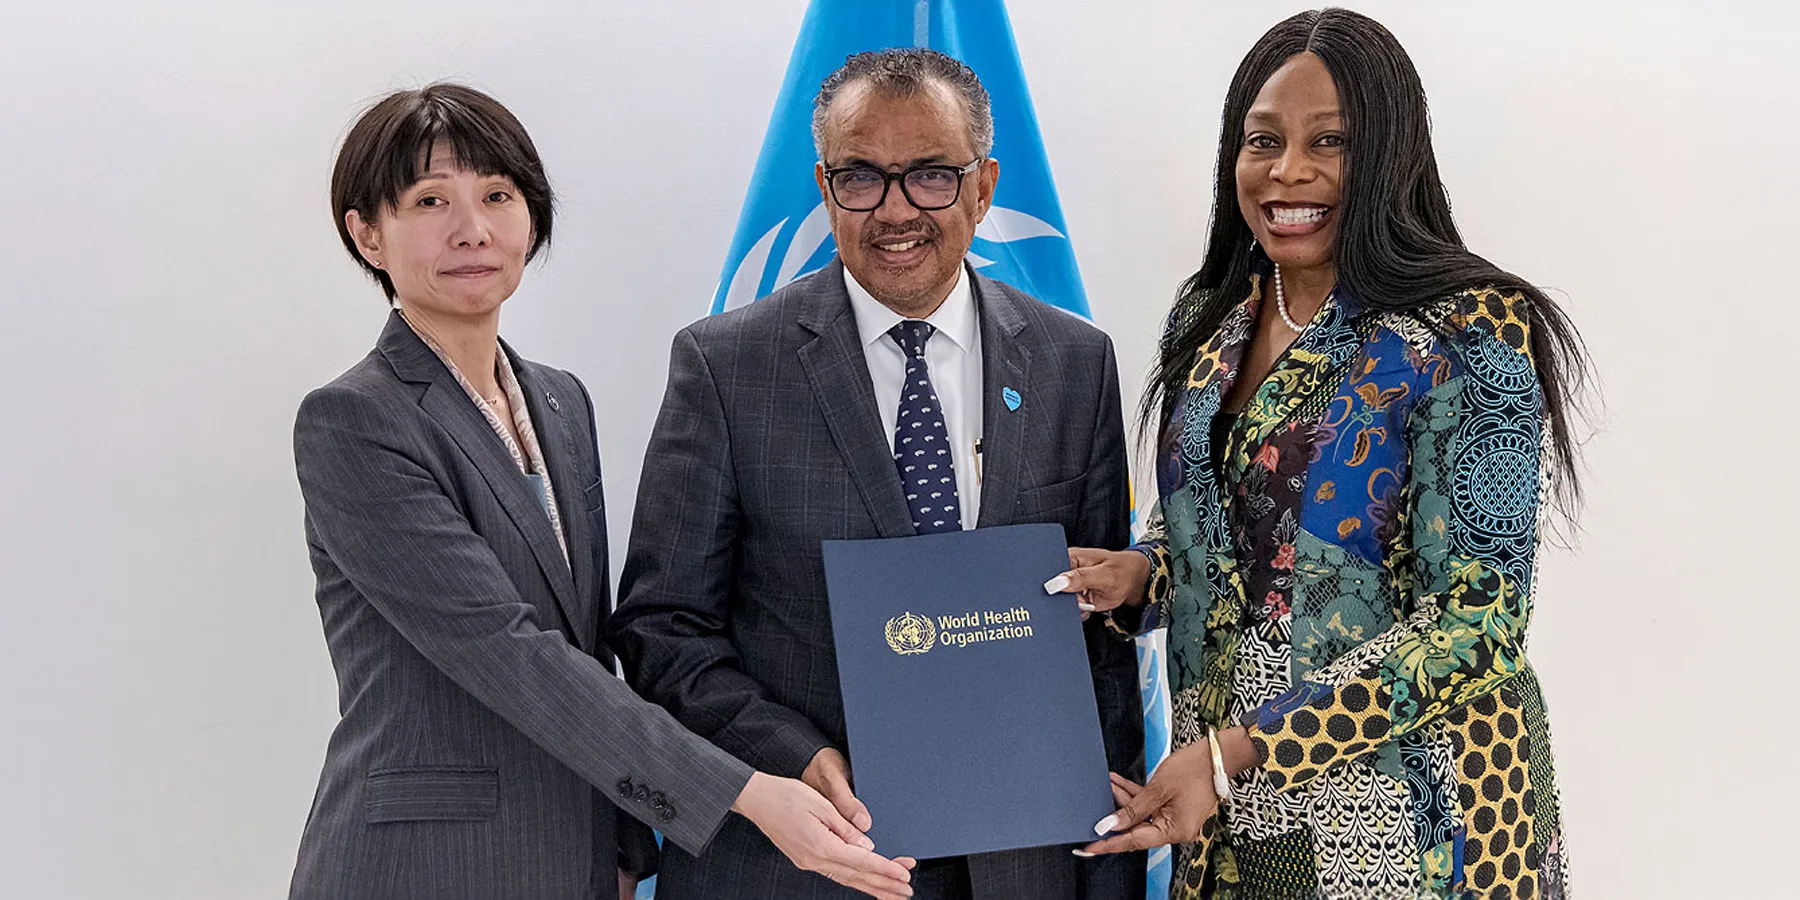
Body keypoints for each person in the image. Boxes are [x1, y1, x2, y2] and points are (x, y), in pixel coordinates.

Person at [289, 82, 914, 900]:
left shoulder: (558, 401)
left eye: (498, 195)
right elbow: (509, 653)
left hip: (572, 857)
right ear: (366, 233)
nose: (472, 229)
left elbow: (588, 648)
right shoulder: (353, 421)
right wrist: (745, 792)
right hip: (422, 863)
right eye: (429, 201)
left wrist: (624, 847)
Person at [1058, 10, 1587, 899]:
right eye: (1263, 140)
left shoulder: (1469, 330)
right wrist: (1142, 570)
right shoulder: (1209, 321)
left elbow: (1478, 620)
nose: (1288, 171)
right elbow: (1237, 518)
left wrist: (1242, 753)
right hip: (1228, 806)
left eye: (1330, 141)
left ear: (1387, 156)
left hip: (1418, 814)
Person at [609, 49, 1144, 900]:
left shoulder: (1075, 363)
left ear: (984, 185)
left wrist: (1107, 868)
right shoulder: (726, 366)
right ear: (825, 188)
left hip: (1021, 867)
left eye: (931, 175)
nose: (896, 210)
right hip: (800, 863)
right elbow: (660, 628)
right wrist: (796, 756)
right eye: (861, 177)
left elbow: (1098, 646)